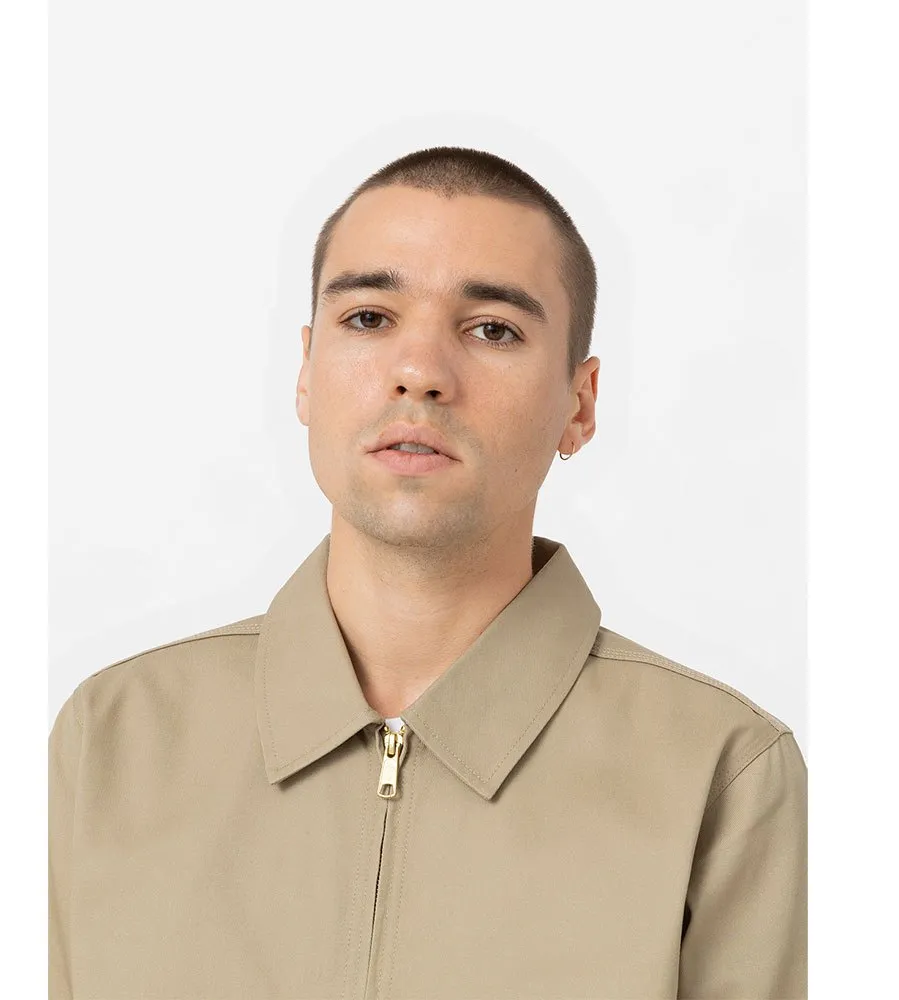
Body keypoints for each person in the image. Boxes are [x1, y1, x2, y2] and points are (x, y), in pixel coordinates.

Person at [49, 146, 807, 999]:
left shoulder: (720, 775)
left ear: (580, 403)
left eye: (493, 330)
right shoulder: (111, 743)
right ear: (306, 372)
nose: (419, 373)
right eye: (370, 317)